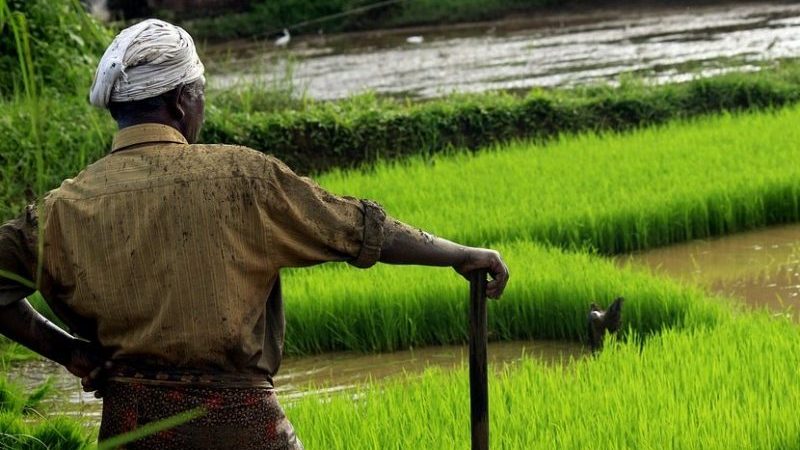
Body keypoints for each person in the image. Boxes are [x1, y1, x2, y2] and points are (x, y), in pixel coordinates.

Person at [0, 19, 509, 449]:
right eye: (199, 96)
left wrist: (70, 352)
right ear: (181, 101)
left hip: (129, 428)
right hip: (240, 426)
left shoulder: (62, 208)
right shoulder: (242, 177)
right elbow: (358, 228)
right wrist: (460, 254)